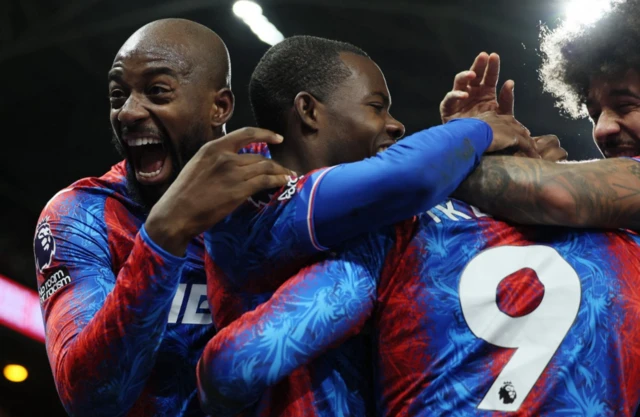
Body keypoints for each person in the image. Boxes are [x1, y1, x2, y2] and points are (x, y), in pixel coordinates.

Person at [35, 21, 528, 416]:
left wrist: (467, 142)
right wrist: (164, 235)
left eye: (157, 92)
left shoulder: (267, 184)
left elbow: (401, 180)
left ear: (219, 106)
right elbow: (91, 399)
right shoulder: (82, 214)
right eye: (118, 96)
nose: (128, 113)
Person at [197, 38, 640, 416]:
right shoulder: (626, 239)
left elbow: (235, 365)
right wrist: (472, 145)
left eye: (625, 106)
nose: (601, 129)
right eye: (592, 111)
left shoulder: (402, 228)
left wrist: (463, 148)